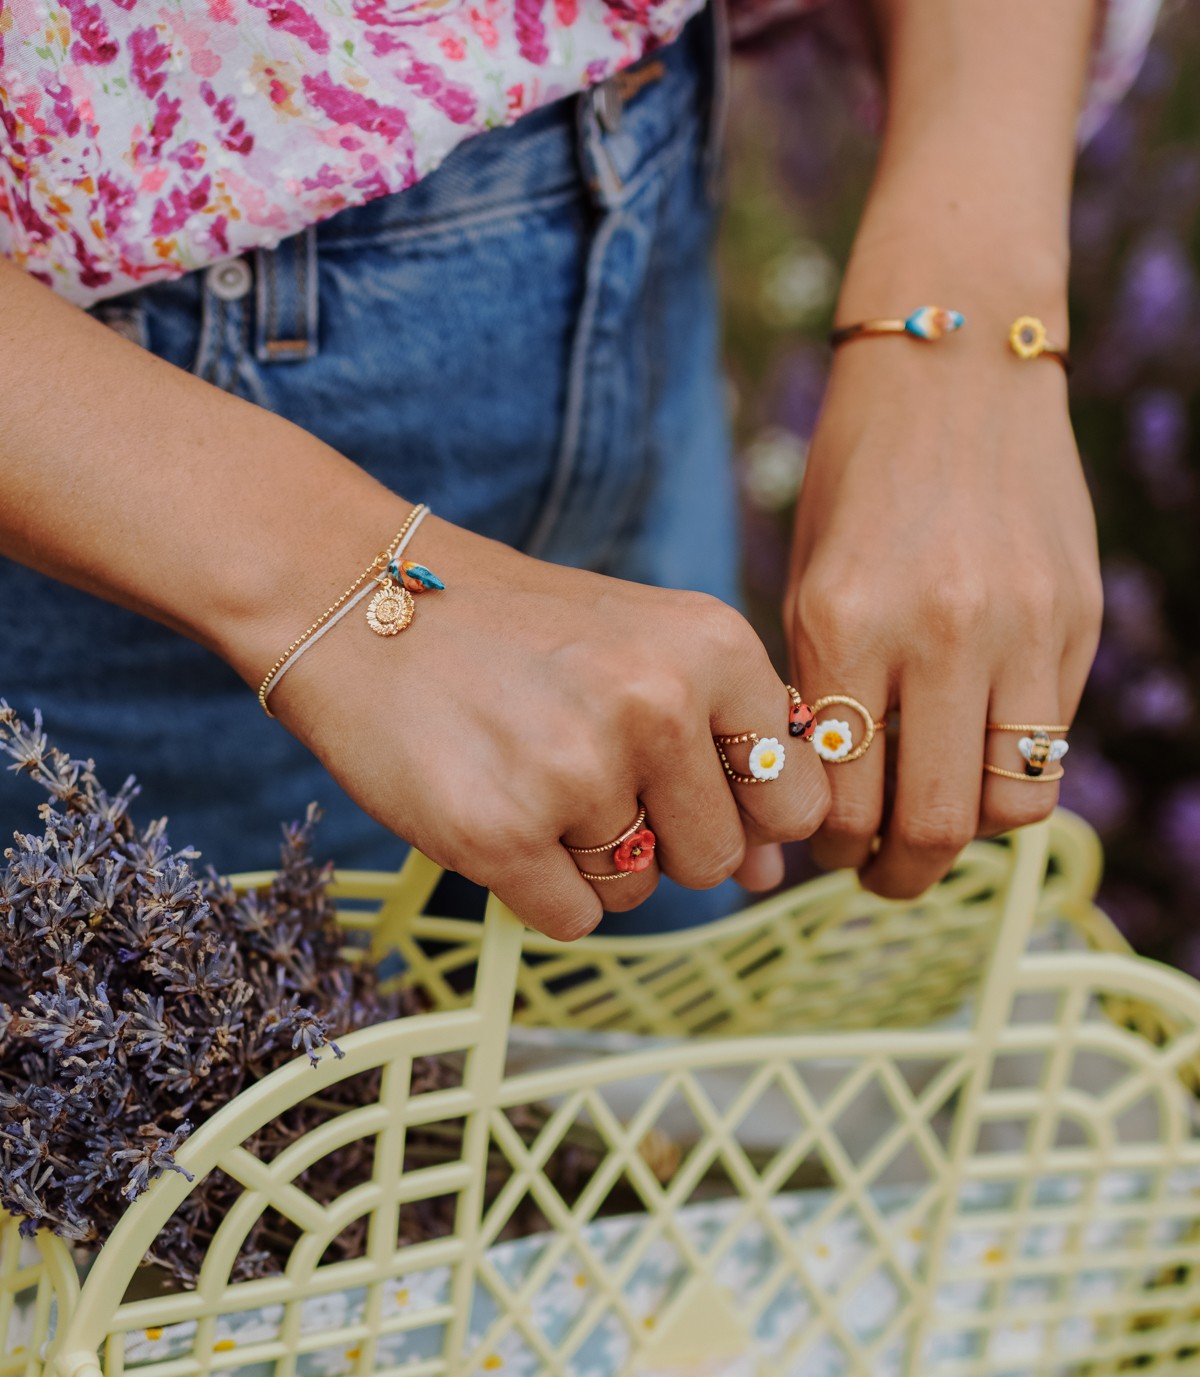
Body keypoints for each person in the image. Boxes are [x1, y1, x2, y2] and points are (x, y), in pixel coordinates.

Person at [0, 0, 1158, 938]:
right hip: (114, 487)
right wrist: (329, 583)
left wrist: (963, 329)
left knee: (653, 1104)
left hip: (645, 213)